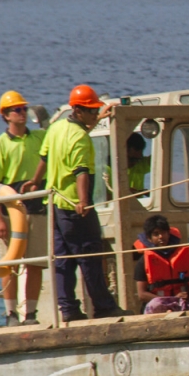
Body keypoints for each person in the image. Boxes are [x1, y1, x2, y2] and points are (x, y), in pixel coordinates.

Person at [22, 84, 131, 321]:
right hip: (74, 207)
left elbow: (45, 156)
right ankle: (103, 307)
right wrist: (83, 201)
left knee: (63, 259)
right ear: (78, 110)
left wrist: (34, 180)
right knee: (89, 256)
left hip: (56, 208)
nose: (95, 114)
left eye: (96, 111)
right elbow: (81, 172)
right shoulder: (81, 138)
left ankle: (69, 310)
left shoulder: (58, 127)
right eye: (92, 111)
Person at [0, 91, 48, 325]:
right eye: (17, 110)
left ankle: (30, 314)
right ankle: (11, 314)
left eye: (24, 109)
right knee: (8, 264)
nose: (23, 113)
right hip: (9, 208)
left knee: (35, 263)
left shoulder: (39, 137)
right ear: (6, 116)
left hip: (35, 207)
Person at [134, 215, 189, 313]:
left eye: (164, 232)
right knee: (156, 304)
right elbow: (142, 294)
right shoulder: (143, 261)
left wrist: (184, 296)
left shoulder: (182, 255)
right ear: (149, 238)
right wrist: (170, 300)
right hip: (157, 306)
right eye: (156, 234)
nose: (161, 236)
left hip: (180, 303)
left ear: (168, 234)